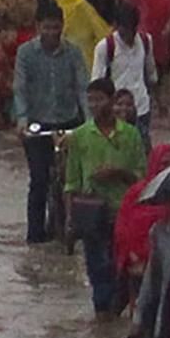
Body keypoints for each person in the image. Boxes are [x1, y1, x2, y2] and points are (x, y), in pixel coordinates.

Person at [64, 82, 146, 313]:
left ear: (111, 100)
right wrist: (70, 219)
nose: (93, 105)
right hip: (90, 214)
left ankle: (112, 316)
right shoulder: (80, 136)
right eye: (90, 100)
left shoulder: (130, 135)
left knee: (120, 269)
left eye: (99, 99)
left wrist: (118, 173)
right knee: (97, 269)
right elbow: (71, 181)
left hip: (123, 213)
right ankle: (103, 318)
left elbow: (142, 176)